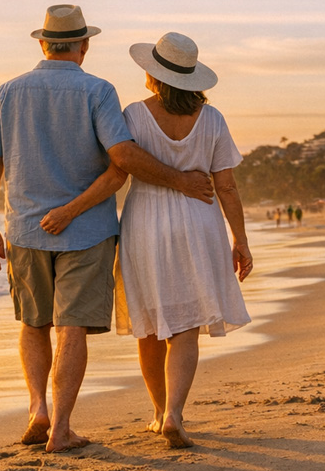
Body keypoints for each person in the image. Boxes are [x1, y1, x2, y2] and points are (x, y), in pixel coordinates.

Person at [0, 6, 215, 453]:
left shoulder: (8, 92)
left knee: (33, 323)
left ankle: (38, 411)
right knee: (71, 327)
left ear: (43, 43)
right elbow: (121, 161)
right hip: (86, 231)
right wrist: (180, 181)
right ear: (84, 45)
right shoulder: (98, 91)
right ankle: (61, 426)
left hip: (25, 228)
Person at [40, 32, 252, 449]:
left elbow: (119, 168)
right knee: (187, 328)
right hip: (199, 220)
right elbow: (226, 187)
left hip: (146, 220)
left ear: (154, 76)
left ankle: (158, 413)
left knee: (151, 328)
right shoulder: (213, 119)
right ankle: (174, 413)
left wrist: (68, 206)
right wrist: (240, 239)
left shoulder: (134, 115)